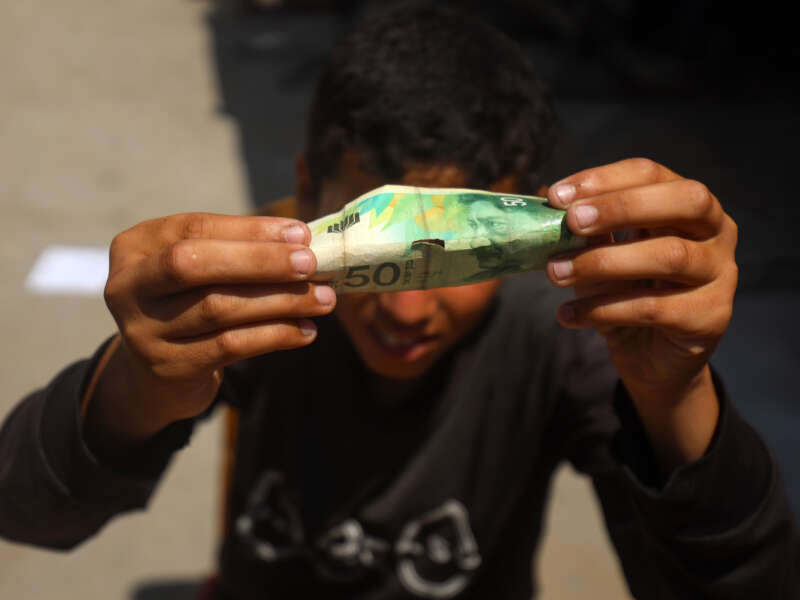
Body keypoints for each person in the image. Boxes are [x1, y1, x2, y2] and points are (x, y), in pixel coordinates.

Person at [1, 6, 797, 599]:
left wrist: (676, 395)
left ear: (529, 228)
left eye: (458, 265)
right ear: (307, 191)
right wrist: (140, 382)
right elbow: (28, 512)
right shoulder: (264, 298)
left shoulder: (568, 338)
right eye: (377, 264)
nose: (407, 313)